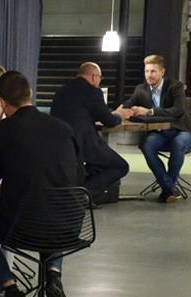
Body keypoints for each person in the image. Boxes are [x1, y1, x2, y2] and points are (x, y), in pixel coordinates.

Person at [0, 71, 84, 297]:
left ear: (3, 101)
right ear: (30, 94)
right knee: (51, 211)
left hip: (24, 227)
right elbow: (78, 174)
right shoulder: (64, 128)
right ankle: (53, 275)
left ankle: (11, 290)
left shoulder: (2, 131)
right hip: (71, 224)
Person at [121, 54, 191, 203]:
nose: (149, 75)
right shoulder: (141, 89)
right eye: (146, 71)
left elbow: (178, 110)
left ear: (162, 72)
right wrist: (119, 111)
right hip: (160, 132)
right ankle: (169, 188)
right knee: (146, 144)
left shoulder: (175, 86)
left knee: (178, 144)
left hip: (182, 129)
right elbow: (128, 103)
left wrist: (149, 112)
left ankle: (168, 189)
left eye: (153, 71)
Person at [51, 62, 131, 201]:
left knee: (96, 165)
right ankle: (84, 194)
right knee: (121, 166)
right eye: (100, 77)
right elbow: (109, 120)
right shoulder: (93, 91)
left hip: (59, 143)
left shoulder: (62, 90)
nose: (100, 81)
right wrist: (120, 115)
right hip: (83, 144)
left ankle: (83, 192)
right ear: (94, 76)